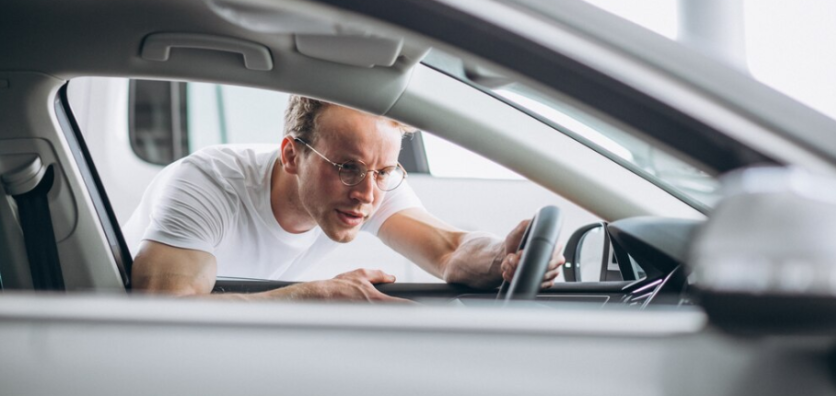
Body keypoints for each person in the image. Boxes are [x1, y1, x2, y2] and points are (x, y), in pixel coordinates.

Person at [123, 95, 564, 301]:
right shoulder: (206, 185)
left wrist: (502, 257)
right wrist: (315, 297)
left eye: (384, 171)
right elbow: (162, 317)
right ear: (291, 155)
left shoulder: (369, 183)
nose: (367, 195)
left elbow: (450, 250)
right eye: (347, 168)